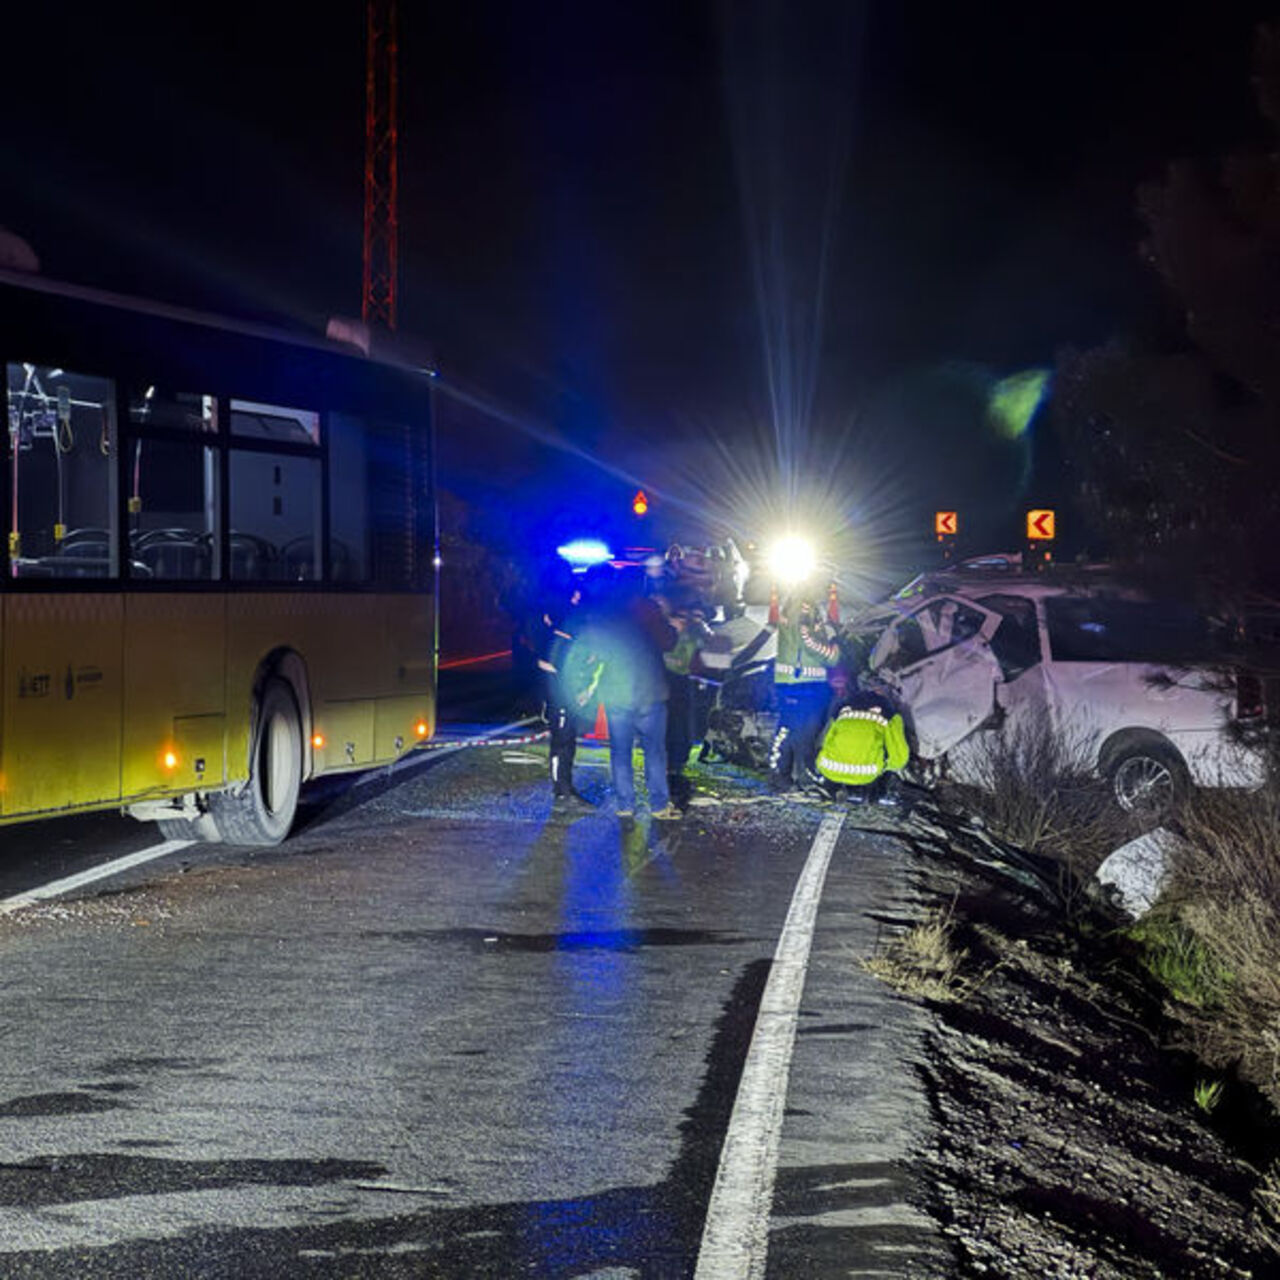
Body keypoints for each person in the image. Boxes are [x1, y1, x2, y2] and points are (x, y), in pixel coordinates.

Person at [567, 577, 681, 820]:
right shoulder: (649, 610)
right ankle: (659, 805)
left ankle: (625, 804)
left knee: (620, 752)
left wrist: (584, 686)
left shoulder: (603, 615)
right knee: (654, 752)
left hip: (617, 693)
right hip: (650, 690)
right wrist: (672, 624)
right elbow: (668, 641)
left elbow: (592, 653)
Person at [768, 594, 841, 792]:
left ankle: (780, 776)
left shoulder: (793, 600)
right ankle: (806, 777)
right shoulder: (806, 604)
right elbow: (806, 639)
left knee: (787, 729)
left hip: (790, 680)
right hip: (806, 680)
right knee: (806, 732)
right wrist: (833, 649)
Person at [534, 572, 590, 808]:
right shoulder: (559, 631)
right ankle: (562, 791)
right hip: (561, 697)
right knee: (562, 742)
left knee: (567, 742)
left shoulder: (565, 629)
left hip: (566, 695)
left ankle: (566, 787)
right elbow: (548, 662)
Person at [814, 687, 910, 805]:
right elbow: (899, 758)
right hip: (867, 773)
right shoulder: (890, 715)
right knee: (882, 764)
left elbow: (824, 740)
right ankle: (872, 794)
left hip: (828, 767)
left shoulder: (840, 711)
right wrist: (884, 765)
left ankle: (833, 788)